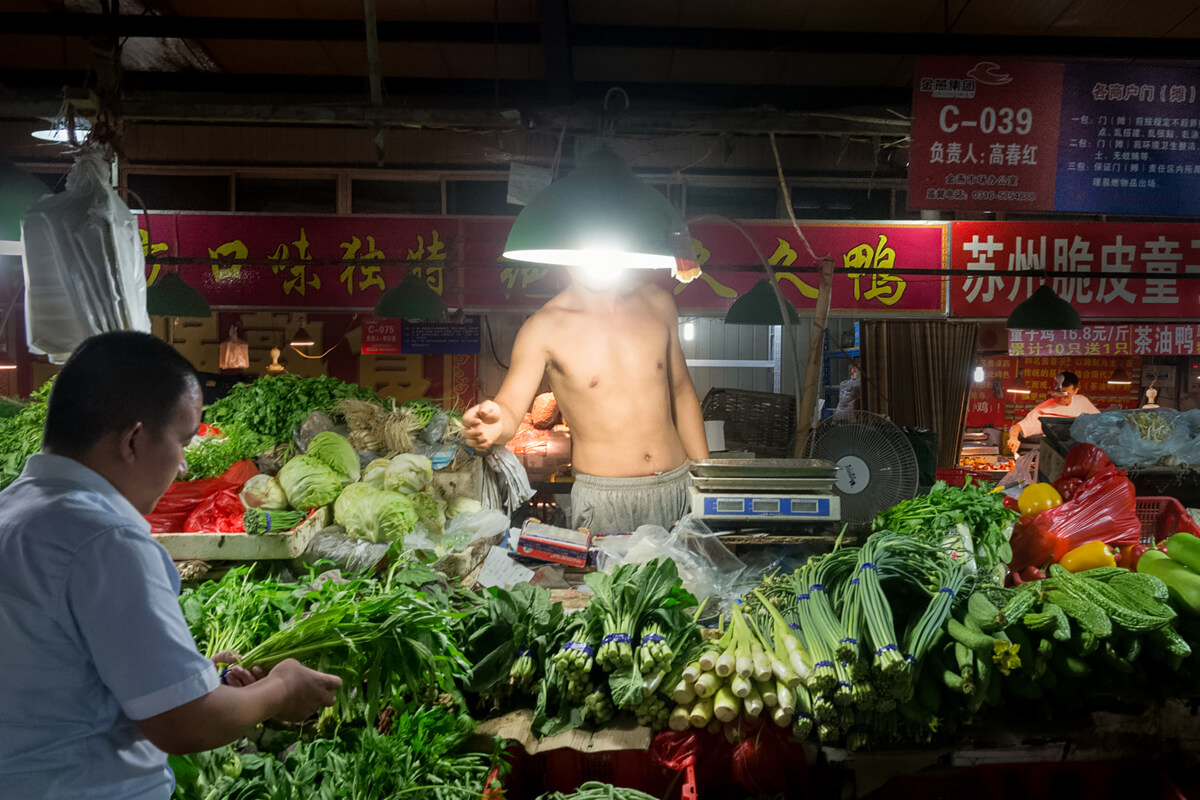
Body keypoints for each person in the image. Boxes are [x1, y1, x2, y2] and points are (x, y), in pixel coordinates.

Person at [0, 331, 342, 799]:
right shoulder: (107, 539)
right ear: (134, 439)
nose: (183, 466)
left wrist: (190, 675)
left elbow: (55, 671)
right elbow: (186, 723)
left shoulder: (14, 511)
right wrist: (280, 691)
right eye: (182, 441)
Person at [463, 266, 709, 534]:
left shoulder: (658, 303)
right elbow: (509, 408)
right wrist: (495, 424)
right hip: (604, 500)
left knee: (693, 577)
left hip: (677, 484)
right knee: (604, 578)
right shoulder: (542, 327)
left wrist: (705, 482)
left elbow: (682, 391)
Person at [1007, 370, 1100, 454]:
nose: (1062, 398)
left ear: (1075, 391)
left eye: (1066, 395)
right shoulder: (1044, 409)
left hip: (1080, 454)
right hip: (1054, 456)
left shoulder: (1082, 401)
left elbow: (1101, 422)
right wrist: (1013, 438)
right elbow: (1017, 427)